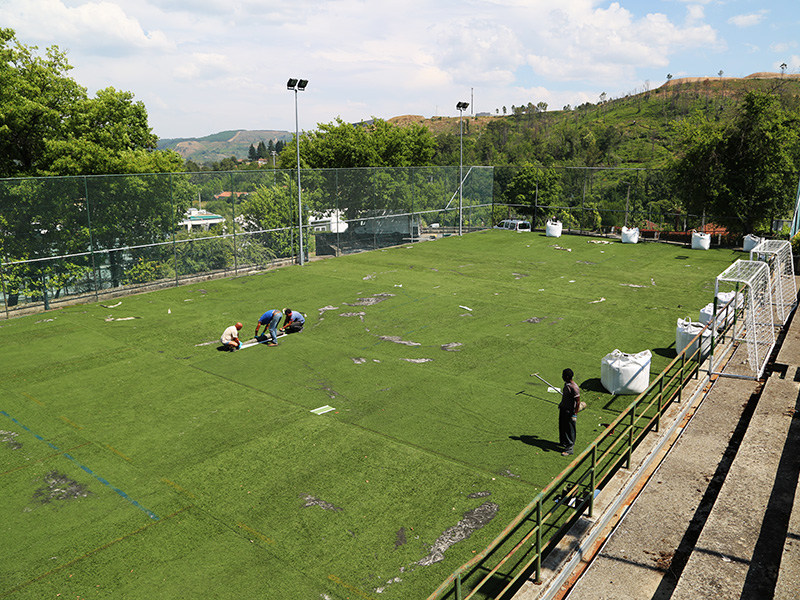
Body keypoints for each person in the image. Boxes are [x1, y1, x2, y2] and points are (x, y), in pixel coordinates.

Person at [558, 368, 581, 456]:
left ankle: (569, 449)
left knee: (569, 430)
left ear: (567, 377)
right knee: (562, 427)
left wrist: (575, 414)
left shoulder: (574, 387)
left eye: (563, 375)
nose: (562, 377)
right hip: (563, 409)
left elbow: (578, 401)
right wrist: (561, 404)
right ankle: (563, 443)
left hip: (570, 412)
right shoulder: (566, 384)